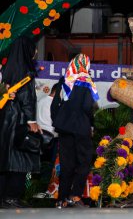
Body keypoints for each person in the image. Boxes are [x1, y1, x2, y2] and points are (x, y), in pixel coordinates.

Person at [52, 54, 99, 208]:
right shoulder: (87, 82)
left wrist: (58, 121)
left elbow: (54, 106)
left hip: (64, 128)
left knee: (66, 164)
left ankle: (62, 199)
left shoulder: (64, 81)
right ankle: (75, 195)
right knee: (84, 162)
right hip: (80, 128)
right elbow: (87, 107)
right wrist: (91, 122)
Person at [0, 36, 41, 208]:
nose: (36, 52)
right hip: (20, 120)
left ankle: (3, 196)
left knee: (4, 160)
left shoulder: (7, 70)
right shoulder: (25, 70)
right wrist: (31, 120)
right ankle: (11, 196)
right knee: (21, 159)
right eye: (34, 48)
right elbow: (27, 98)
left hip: (4, 121)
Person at [37, 83, 59, 163]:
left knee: (41, 163)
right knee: (50, 165)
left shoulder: (41, 100)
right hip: (51, 138)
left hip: (39, 136)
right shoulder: (54, 103)